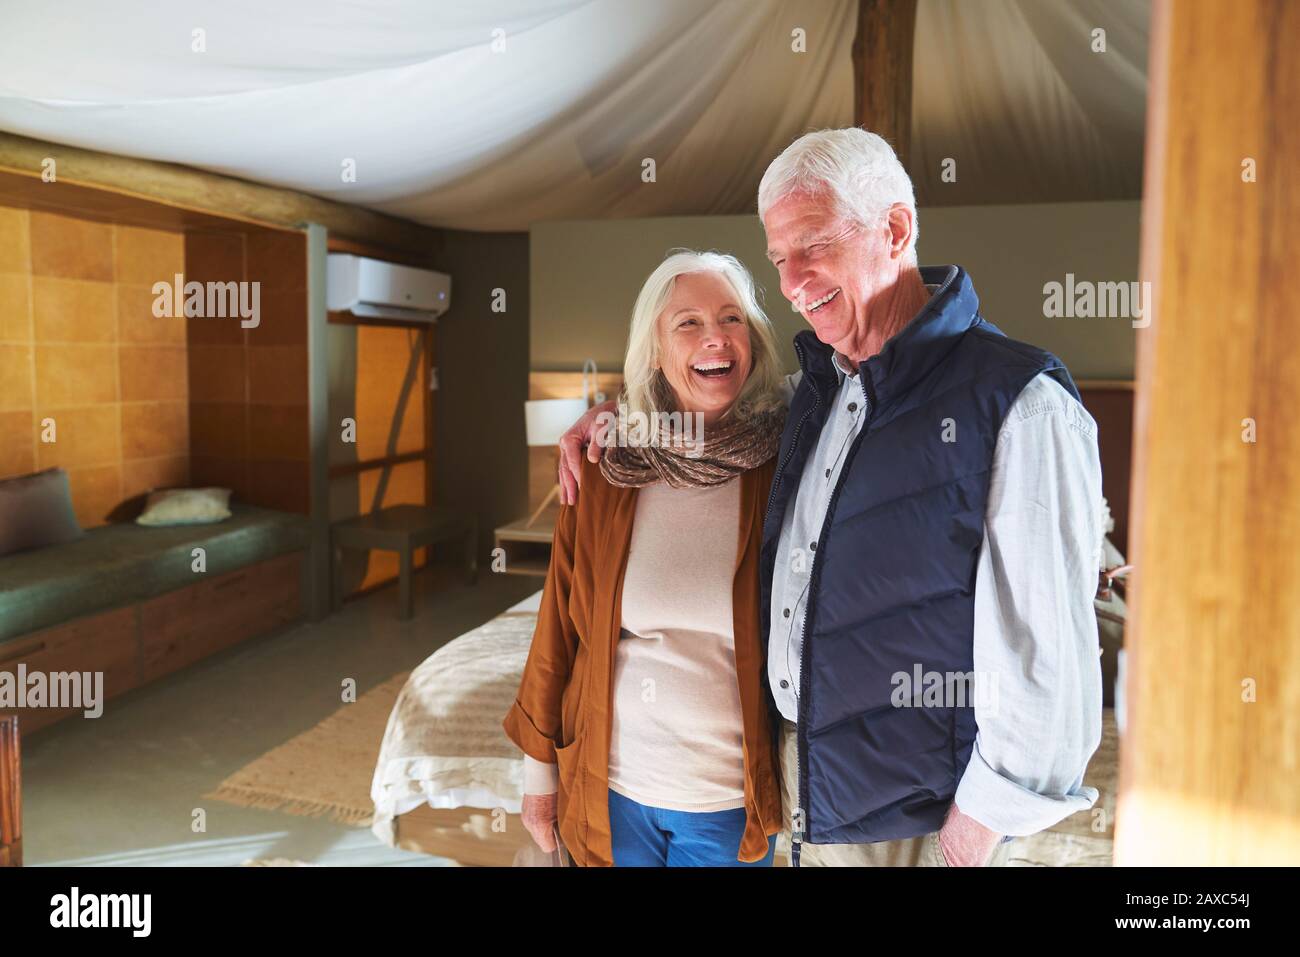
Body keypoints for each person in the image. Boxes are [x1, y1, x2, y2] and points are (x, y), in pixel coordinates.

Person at [558, 128, 1105, 867]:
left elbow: (1048, 653)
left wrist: (975, 828)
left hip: (921, 816)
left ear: (896, 228)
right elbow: (708, 424)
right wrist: (609, 420)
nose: (791, 281)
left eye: (812, 244)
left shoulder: (1019, 401)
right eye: (779, 258)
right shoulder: (812, 394)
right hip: (805, 789)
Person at [503, 249, 790, 866]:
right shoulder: (610, 466)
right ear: (656, 350)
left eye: (732, 318)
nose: (715, 337)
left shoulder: (785, 465)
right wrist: (537, 777)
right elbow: (556, 627)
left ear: (753, 339)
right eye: (687, 322)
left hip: (727, 807)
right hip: (611, 796)